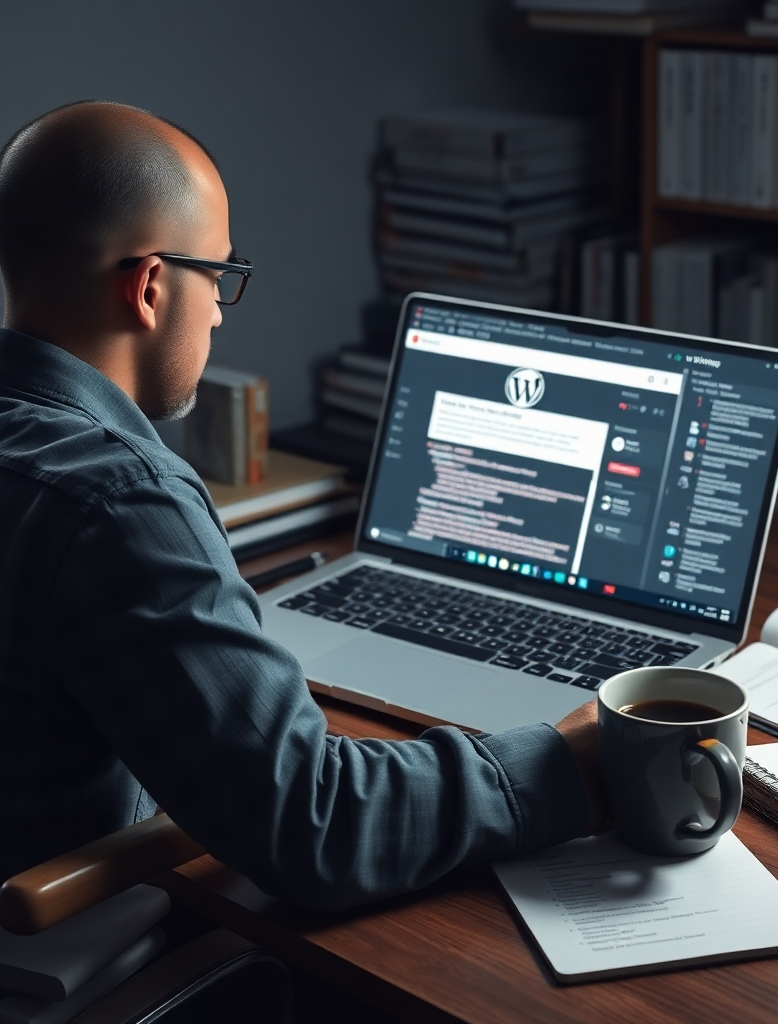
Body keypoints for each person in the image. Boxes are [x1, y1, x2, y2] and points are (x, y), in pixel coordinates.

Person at [0, 101, 604, 903]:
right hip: (68, 958)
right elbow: (314, 823)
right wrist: (567, 764)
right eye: (217, 275)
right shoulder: (118, 501)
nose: (218, 308)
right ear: (150, 287)